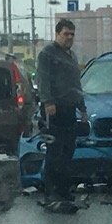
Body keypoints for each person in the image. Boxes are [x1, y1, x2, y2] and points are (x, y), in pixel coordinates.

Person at [36, 19, 88, 204]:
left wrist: (82, 107)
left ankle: (64, 190)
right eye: (66, 34)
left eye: (72, 34)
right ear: (57, 34)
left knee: (68, 150)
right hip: (53, 109)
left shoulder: (71, 56)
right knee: (54, 151)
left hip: (69, 108)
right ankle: (51, 191)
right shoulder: (47, 54)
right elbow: (43, 79)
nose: (69, 37)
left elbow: (76, 84)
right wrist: (48, 102)